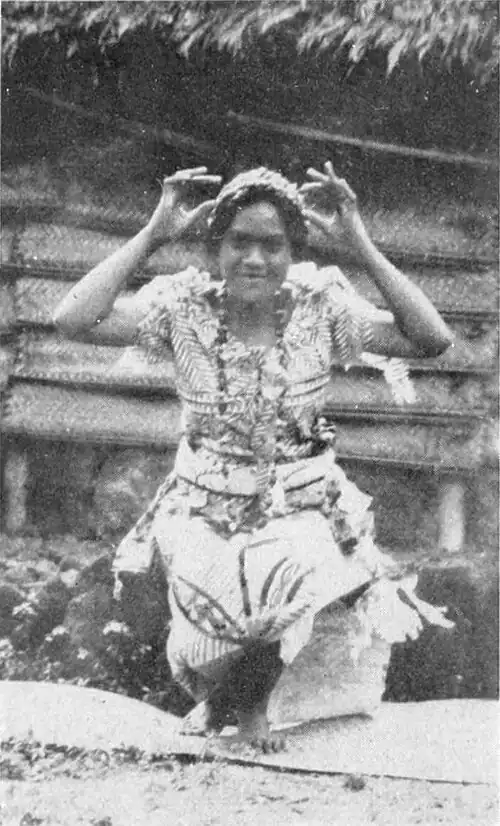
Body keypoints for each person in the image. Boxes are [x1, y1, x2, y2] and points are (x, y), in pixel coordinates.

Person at [54, 162, 454, 751]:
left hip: (303, 501)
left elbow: (432, 339)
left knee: (287, 567)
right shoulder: (182, 310)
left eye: (273, 245)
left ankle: (253, 707)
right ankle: (224, 694)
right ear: (216, 248)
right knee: (211, 617)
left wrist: (360, 244)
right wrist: (153, 234)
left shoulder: (321, 308)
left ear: (294, 252)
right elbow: (72, 321)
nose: (255, 260)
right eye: (239, 242)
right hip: (202, 500)